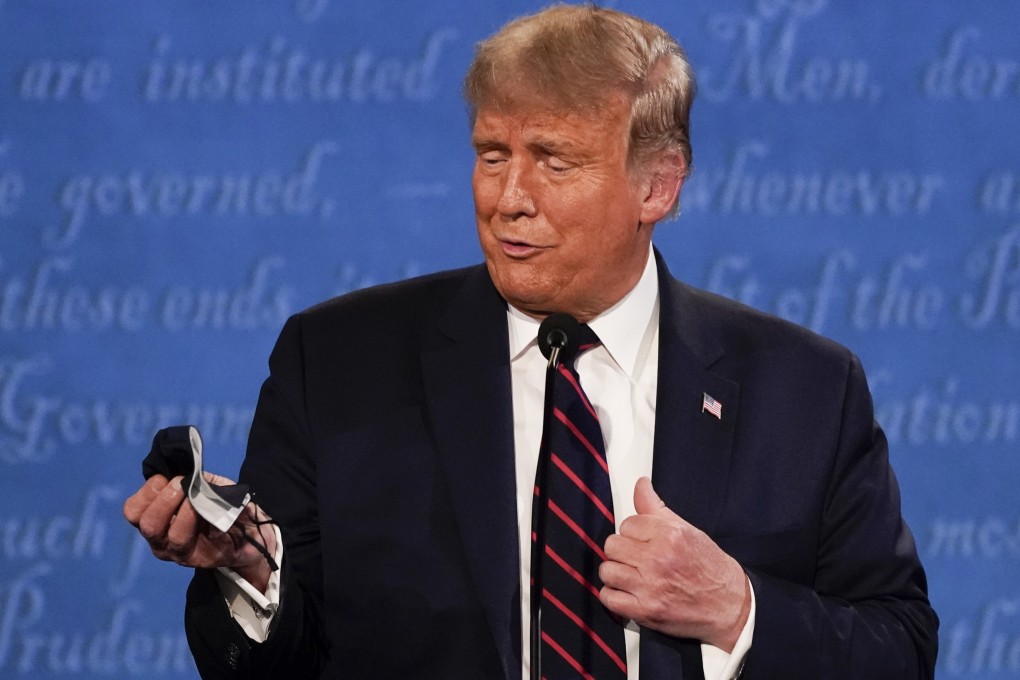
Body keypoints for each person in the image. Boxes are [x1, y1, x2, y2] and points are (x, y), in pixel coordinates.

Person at [123, 5, 939, 679]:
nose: (509, 198)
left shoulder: (806, 390)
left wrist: (736, 609)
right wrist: (251, 575)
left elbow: (899, 650)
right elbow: (280, 660)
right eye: (491, 155)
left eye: (553, 161)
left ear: (657, 184)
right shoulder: (336, 364)